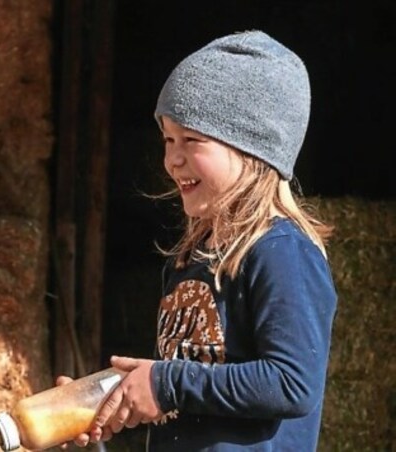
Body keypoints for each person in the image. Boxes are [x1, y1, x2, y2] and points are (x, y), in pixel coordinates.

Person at [69, 30, 338, 450]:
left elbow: (292, 383)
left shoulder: (281, 252)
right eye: (168, 139)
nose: (173, 158)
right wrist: (113, 401)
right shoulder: (189, 259)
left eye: (192, 140)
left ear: (254, 150)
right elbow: (196, 393)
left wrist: (167, 382)